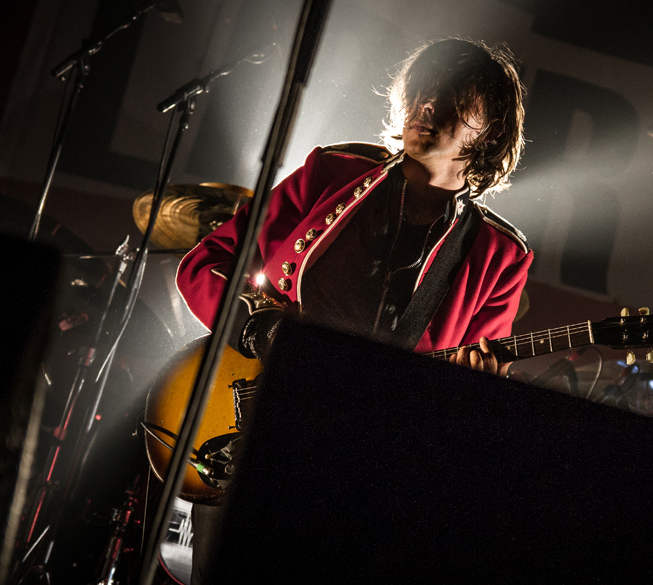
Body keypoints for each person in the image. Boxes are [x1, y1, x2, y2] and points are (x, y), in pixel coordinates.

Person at [173, 37, 532, 583]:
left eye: (453, 99)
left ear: (492, 132)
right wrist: (260, 326)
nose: (428, 105)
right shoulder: (333, 173)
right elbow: (206, 263)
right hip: (251, 426)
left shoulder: (501, 254)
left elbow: (461, 412)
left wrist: (472, 391)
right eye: (423, 91)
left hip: (364, 468)